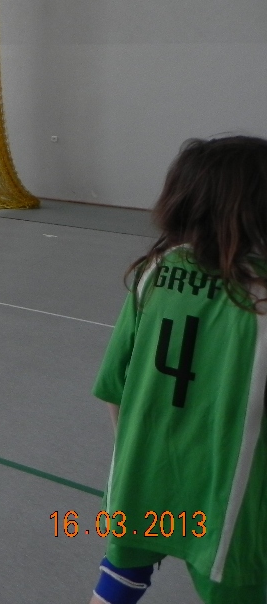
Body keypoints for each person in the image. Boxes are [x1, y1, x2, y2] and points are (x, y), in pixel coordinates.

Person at [89, 135, 267, 604]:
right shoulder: (260, 296)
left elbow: (114, 387)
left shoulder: (155, 271)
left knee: (118, 581)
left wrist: (138, 453)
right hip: (228, 496)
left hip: (142, 480)